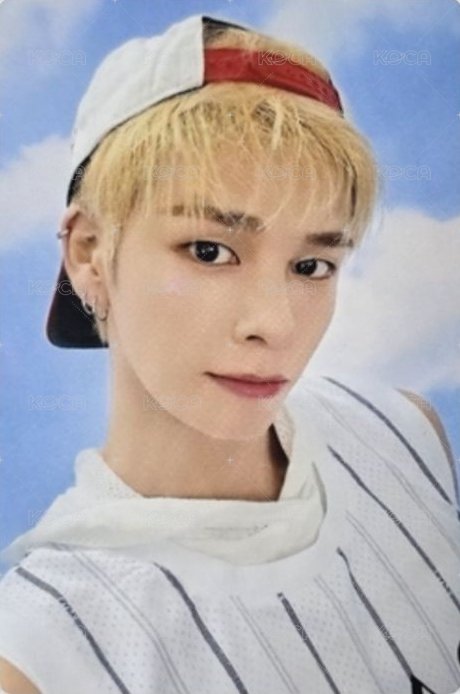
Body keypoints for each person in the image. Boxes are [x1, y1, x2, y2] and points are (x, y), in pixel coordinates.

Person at [0, 12, 459, 694]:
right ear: (89, 254)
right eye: (210, 251)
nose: (273, 323)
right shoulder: (40, 651)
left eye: (312, 265)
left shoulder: (404, 434)